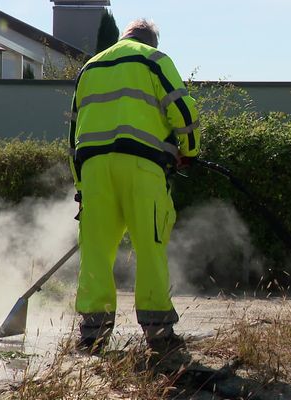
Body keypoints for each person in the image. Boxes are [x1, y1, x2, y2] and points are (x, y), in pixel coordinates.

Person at [68, 19, 200, 353]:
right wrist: (190, 151)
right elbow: (182, 111)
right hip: (142, 167)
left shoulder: (90, 67)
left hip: (95, 169)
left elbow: (73, 136)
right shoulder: (153, 60)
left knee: (96, 250)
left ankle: (92, 333)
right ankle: (158, 332)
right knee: (149, 245)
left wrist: (81, 184)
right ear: (151, 40)